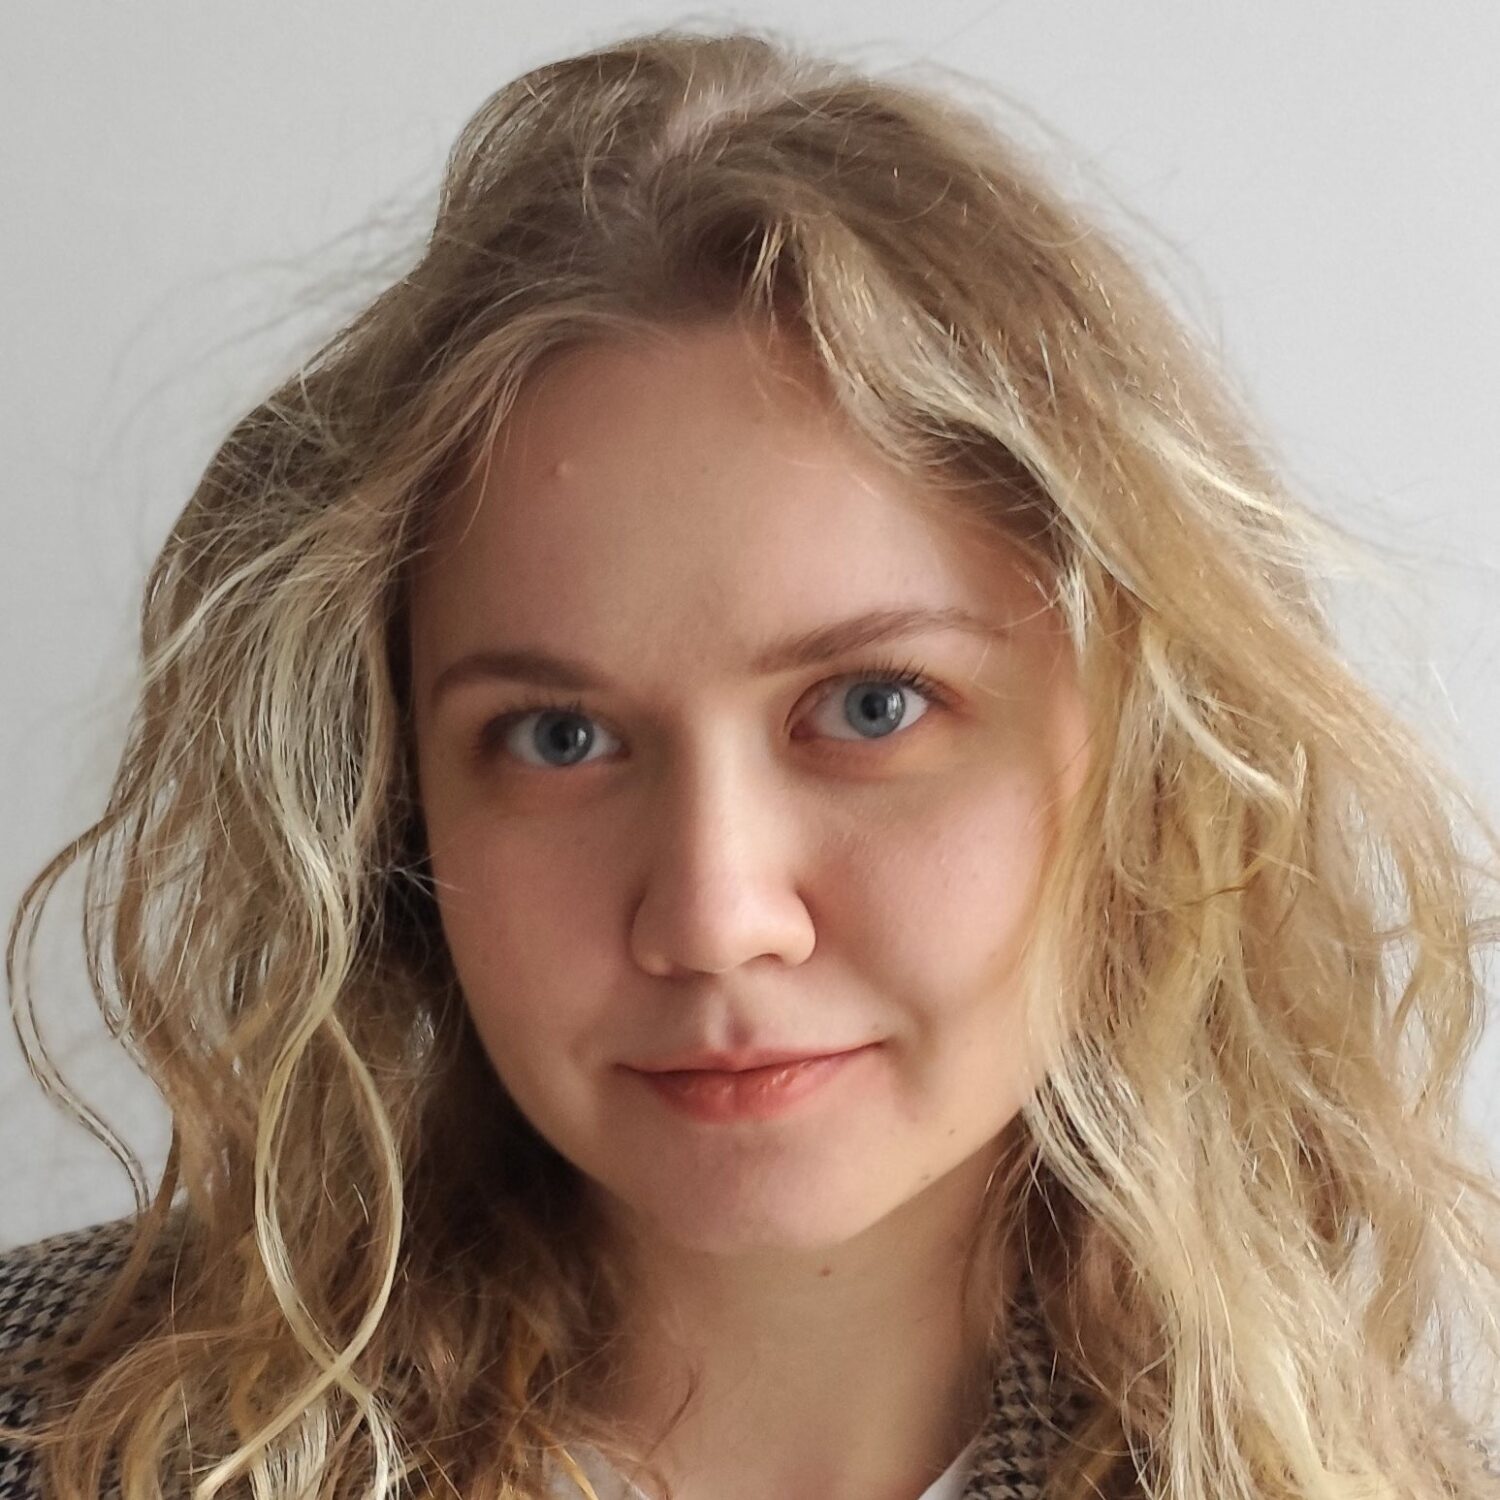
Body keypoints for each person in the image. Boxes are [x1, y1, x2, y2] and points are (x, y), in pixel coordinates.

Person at [2, 24, 1498, 1500]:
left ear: (1149, 754)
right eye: (559, 737)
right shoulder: (51, 1434)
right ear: (396, 809)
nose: (715, 917)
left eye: (872, 707)